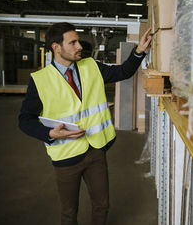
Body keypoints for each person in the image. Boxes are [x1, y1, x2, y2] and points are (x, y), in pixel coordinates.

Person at [18, 22, 152, 225]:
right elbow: (25, 120)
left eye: (78, 41)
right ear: (56, 47)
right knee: (69, 213)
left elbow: (122, 72)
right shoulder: (40, 80)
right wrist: (49, 134)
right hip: (66, 158)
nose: (79, 46)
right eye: (72, 42)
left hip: (96, 150)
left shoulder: (91, 66)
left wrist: (139, 51)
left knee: (102, 205)